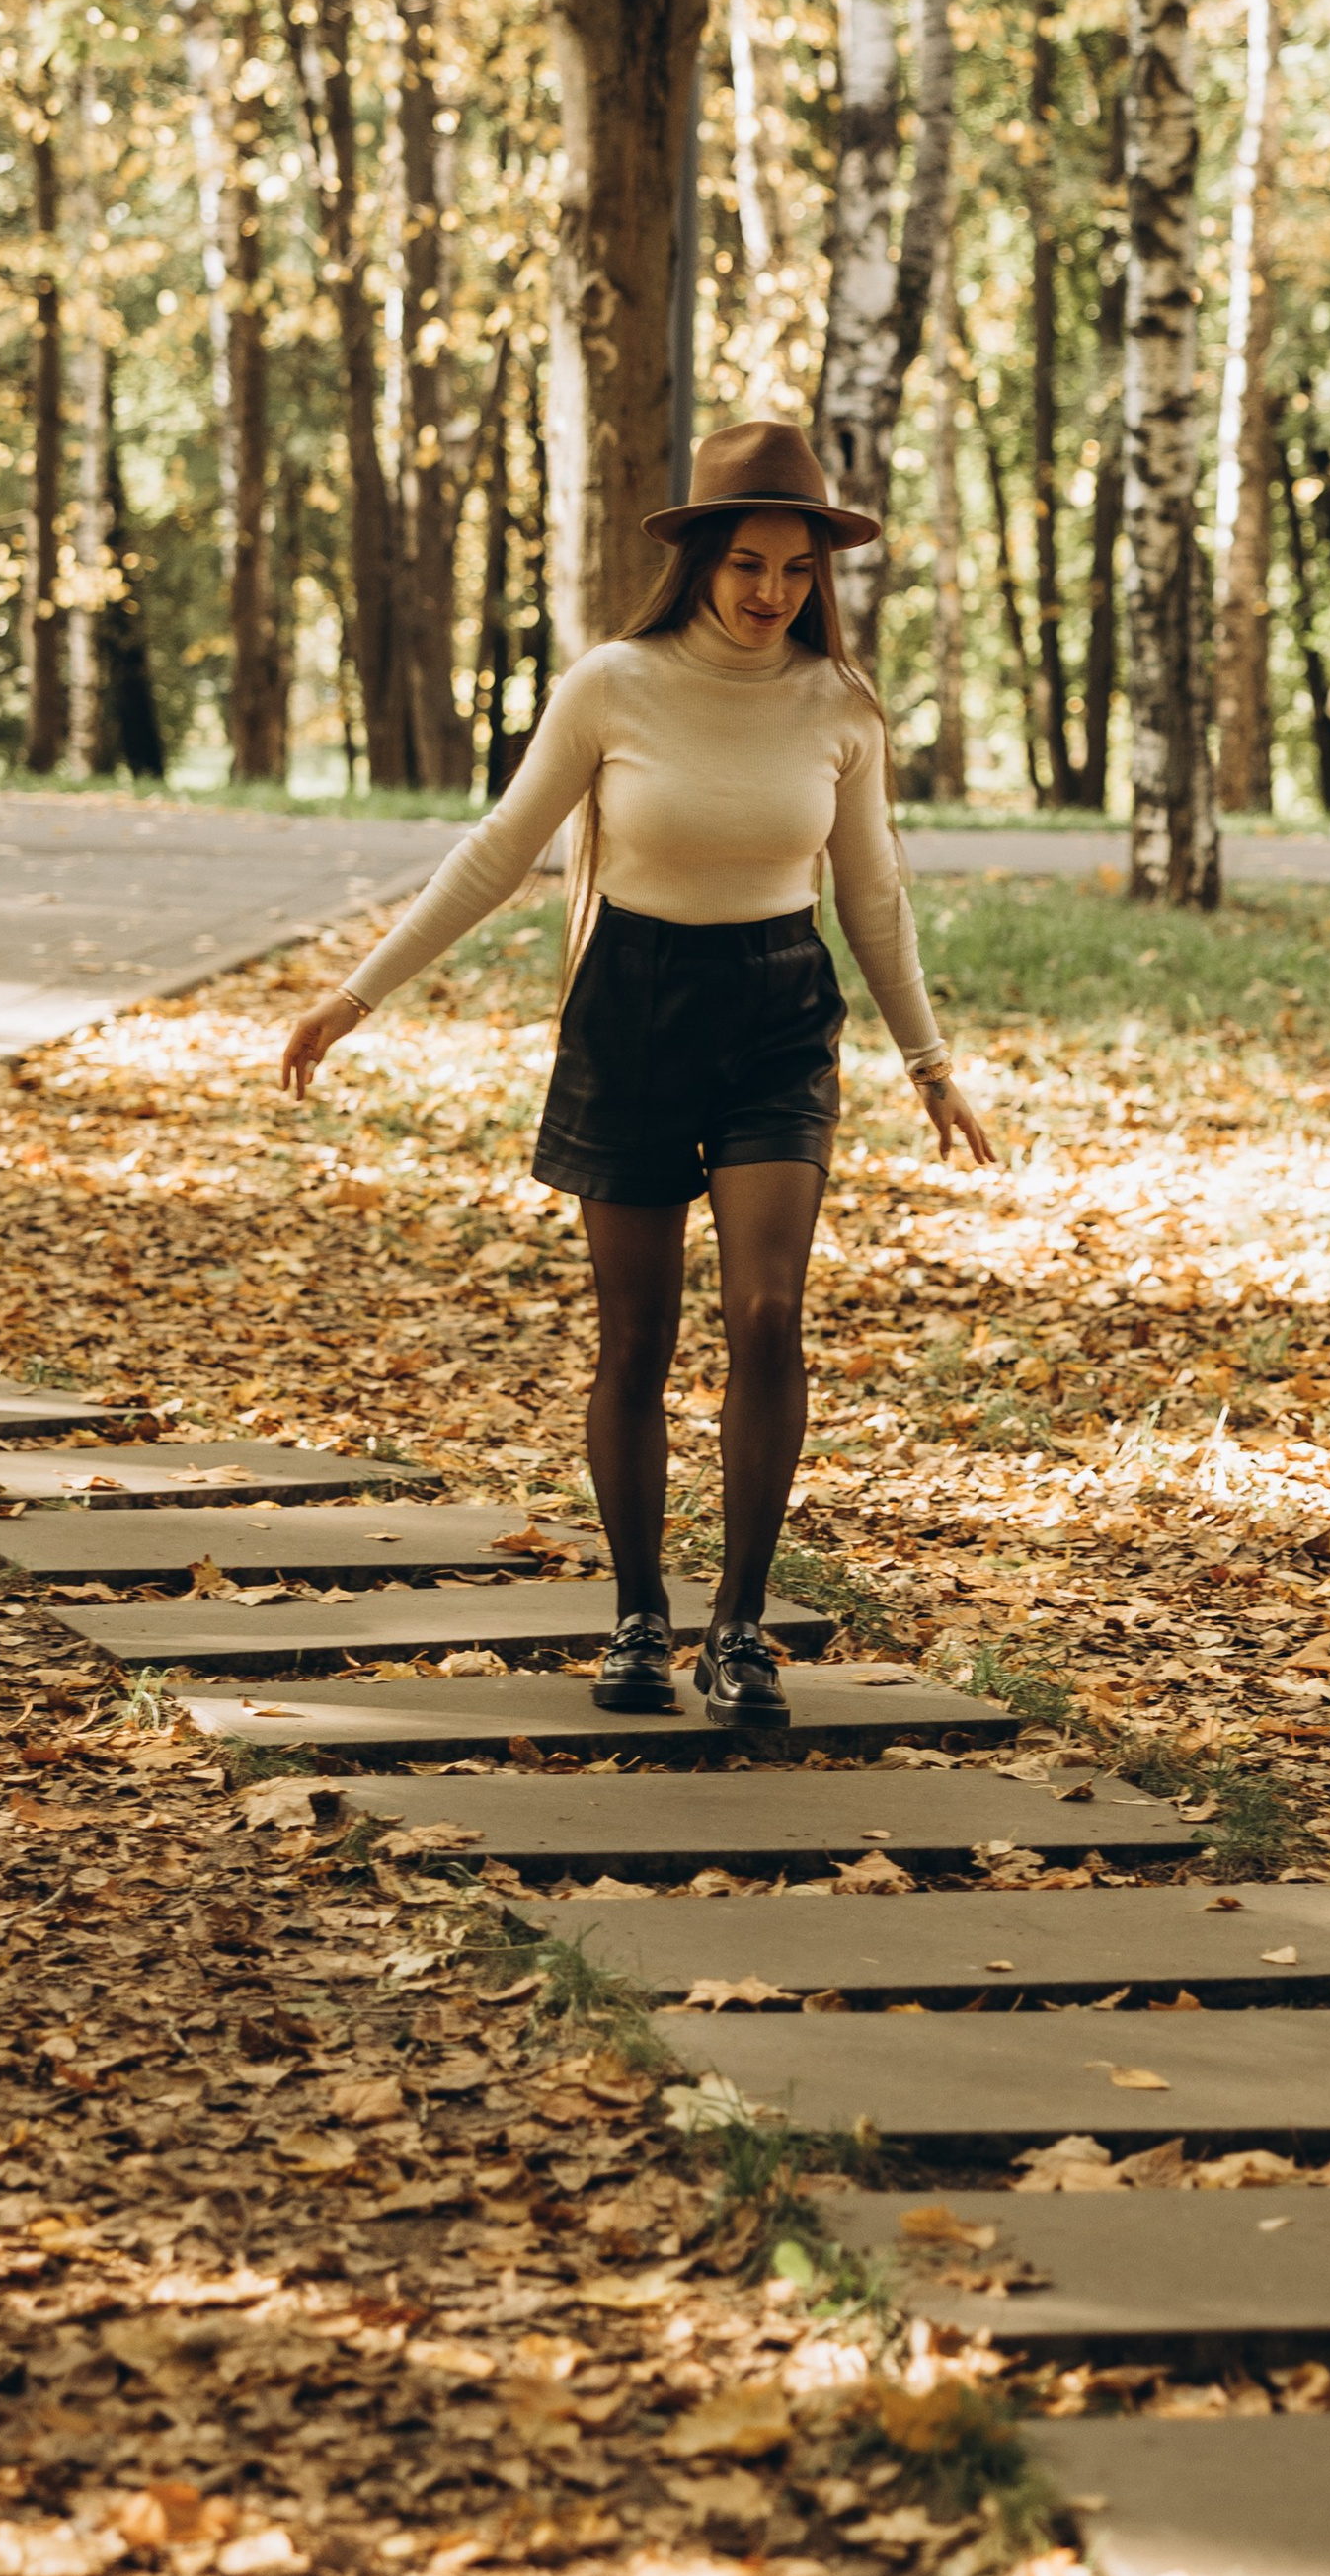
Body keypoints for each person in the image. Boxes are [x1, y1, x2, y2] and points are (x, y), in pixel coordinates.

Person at [278, 421, 994, 1730]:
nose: (772, 590)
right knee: (638, 1336)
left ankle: (741, 1631)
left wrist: (930, 1062)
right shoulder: (613, 683)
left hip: (781, 1013)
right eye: (746, 562)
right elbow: (500, 848)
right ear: (702, 560)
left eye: (794, 566)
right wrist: (356, 991)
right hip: (631, 1011)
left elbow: (875, 893)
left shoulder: (840, 706)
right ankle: (637, 1617)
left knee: (770, 1314)